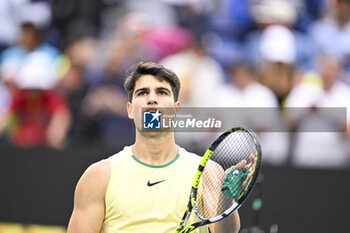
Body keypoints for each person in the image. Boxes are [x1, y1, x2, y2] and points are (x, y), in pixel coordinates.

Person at [67, 62, 242, 233]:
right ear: (130, 110)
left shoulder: (208, 172)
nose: (152, 99)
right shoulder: (99, 176)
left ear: (176, 109)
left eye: (162, 92)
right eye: (142, 93)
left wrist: (225, 199)